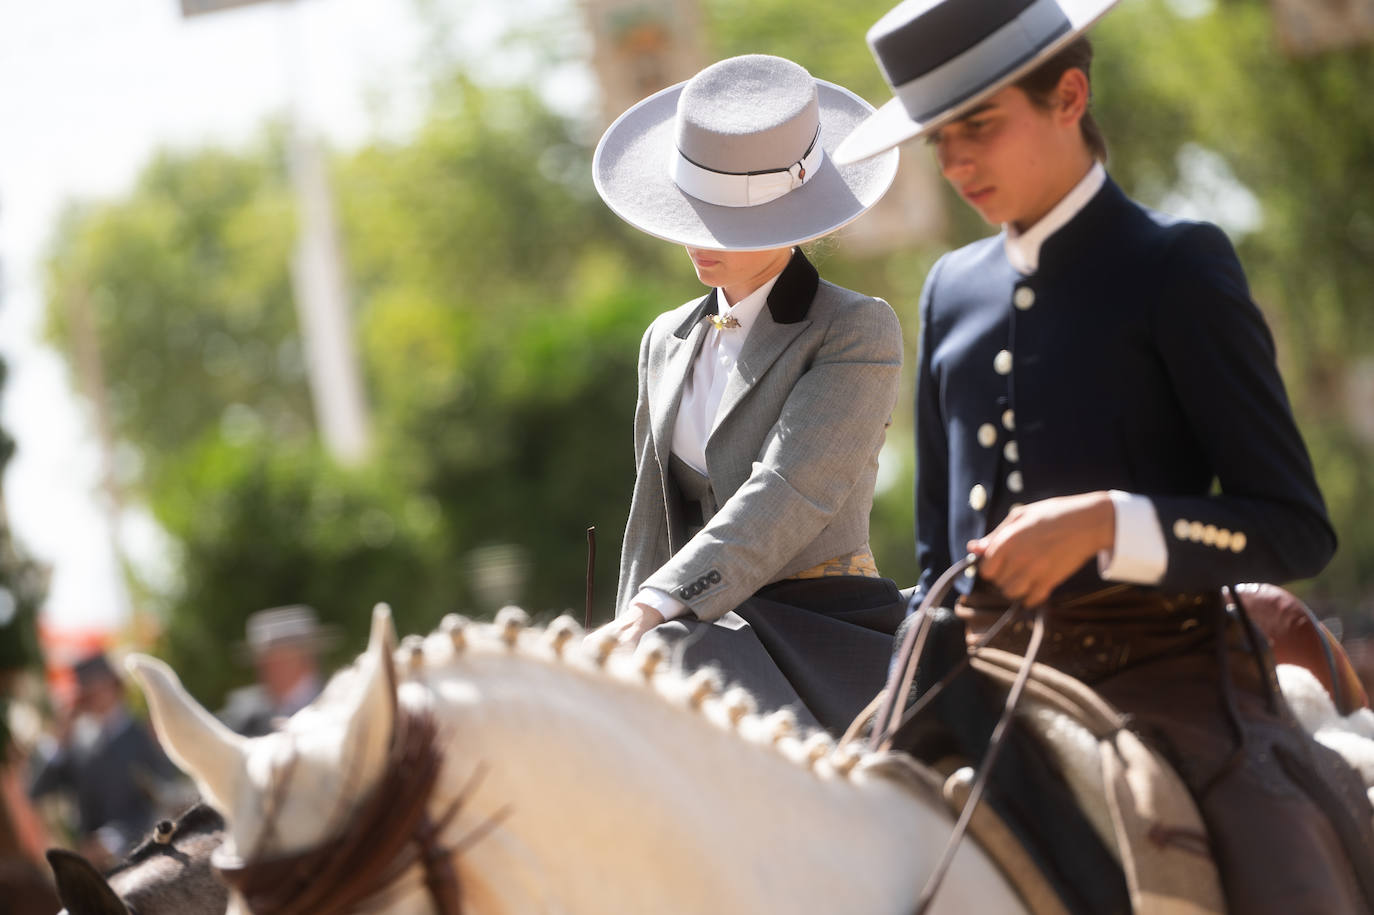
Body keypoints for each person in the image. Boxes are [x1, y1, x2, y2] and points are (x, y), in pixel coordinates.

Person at [835, 0, 1374, 911]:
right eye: (938, 141)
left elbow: (1295, 529)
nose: (957, 162)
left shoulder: (1177, 264)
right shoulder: (947, 288)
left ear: (1069, 94)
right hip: (975, 685)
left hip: (1168, 689)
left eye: (979, 126)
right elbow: (936, 555)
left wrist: (1108, 522)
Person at [588, 54, 906, 736]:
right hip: (689, 629)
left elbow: (791, 489)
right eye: (692, 212)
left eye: (723, 220)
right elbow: (652, 520)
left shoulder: (855, 327)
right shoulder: (663, 339)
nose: (698, 241)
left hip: (820, 631)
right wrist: (619, 640)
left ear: (793, 213)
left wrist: (657, 605)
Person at [29, 652, 179, 865]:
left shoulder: (145, 735)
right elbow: (37, 791)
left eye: (96, 686)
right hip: (98, 870)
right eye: (85, 692)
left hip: (149, 860)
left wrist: (115, 840)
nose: (93, 695)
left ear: (114, 686)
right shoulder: (76, 745)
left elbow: (165, 798)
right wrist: (58, 743)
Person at [218, 605, 335, 737]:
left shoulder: (337, 706)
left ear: (306, 658)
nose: (267, 667)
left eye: (281, 657)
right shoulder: (244, 715)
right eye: (263, 659)